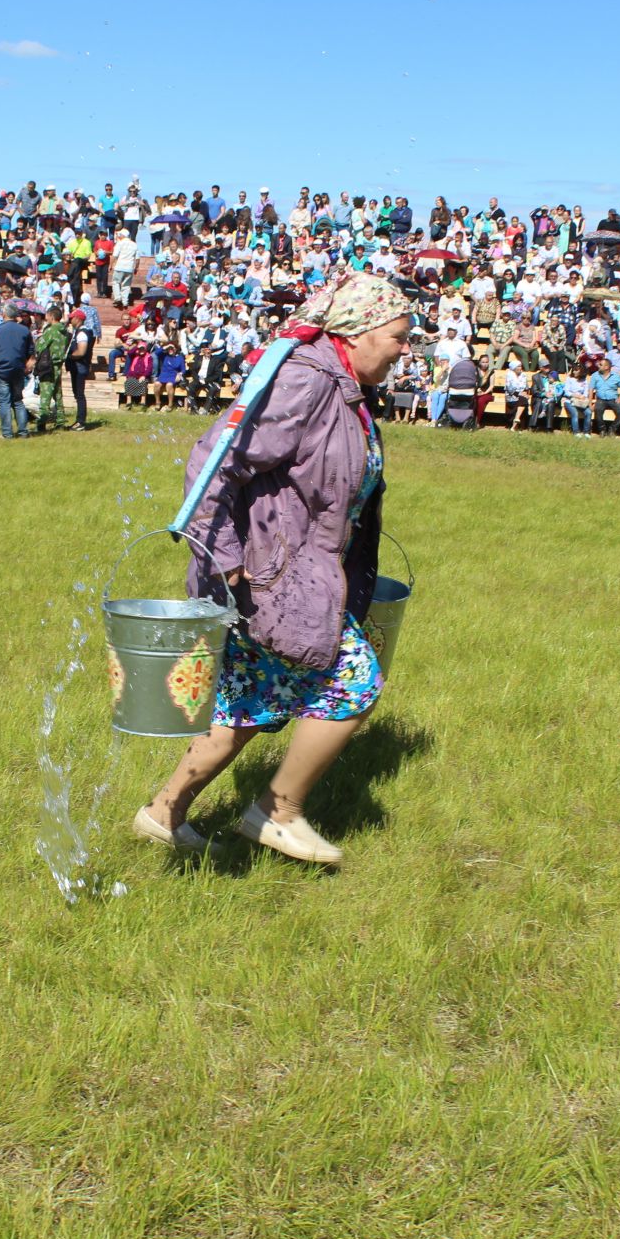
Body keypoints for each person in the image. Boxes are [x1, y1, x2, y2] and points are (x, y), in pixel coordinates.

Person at [138, 270, 412, 867]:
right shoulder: (305, 381)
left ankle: (163, 813)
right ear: (358, 332)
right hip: (272, 575)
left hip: (292, 570)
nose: (404, 348)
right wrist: (224, 557)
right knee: (354, 682)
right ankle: (277, 811)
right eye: (397, 336)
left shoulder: (344, 386)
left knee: (247, 704)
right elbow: (215, 459)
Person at [0, 306, 34, 439]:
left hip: (1, 370)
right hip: (18, 369)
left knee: (4, 402)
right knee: (18, 400)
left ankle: (7, 433)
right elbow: (30, 351)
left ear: (4, 315)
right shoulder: (24, 330)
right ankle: (23, 431)